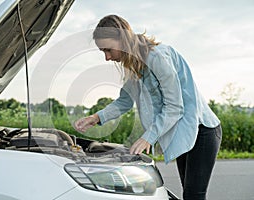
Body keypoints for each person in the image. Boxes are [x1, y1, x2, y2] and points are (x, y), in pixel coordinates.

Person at [74, 14, 222, 200]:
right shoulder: (133, 65)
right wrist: (95, 118)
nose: (107, 57)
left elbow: (175, 107)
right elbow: (124, 101)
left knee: (194, 195)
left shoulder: (158, 57)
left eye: (108, 49)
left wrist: (148, 138)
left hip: (202, 130)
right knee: (189, 195)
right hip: (183, 131)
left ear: (122, 40)